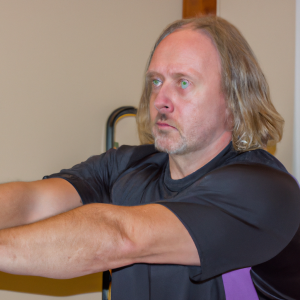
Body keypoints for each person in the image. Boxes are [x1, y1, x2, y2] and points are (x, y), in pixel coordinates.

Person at [0, 16, 299, 300]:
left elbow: (120, 237)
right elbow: (31, 202)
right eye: (156, 81)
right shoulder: (128, 165)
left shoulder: (266, 190)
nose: (160, 101)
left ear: (233, 100)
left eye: (183, 82)